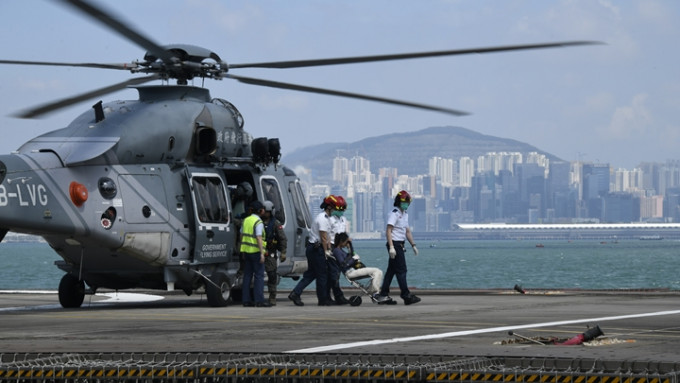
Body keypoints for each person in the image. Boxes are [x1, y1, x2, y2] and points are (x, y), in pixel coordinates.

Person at [288, 195, 335, 306]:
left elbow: (327, 237)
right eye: (334, 207)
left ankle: (295, 293)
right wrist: (326, 252)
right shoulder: (322, 219)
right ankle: (323, 299)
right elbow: (323, 237)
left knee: (311, 274)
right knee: (322, 275)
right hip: (316, 249)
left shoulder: (326, 218)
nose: (335, 210)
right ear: (328, 207)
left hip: (314, 248)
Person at [378, 190, 421, 305]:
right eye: (404, 202)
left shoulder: (405, 214)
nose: (406, 204)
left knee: (391, 271)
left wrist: (413, 245)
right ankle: (406, 295)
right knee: (402, 270)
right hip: (395, 244)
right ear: (399, 202)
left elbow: (407, 231)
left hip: (400, 244)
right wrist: (391, 247)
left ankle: (383, 295)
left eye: (408, 202)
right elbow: (388, 230)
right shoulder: (394, 213)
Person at [331, 232, 391, 302]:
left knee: (377, 272)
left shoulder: (340, 250)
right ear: (341, 241)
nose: (346, 243)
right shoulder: (337, 251)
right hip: (350, 272)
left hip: (353, 270)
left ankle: (375, 293)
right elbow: (343, 265)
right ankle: (375, 294)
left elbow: (351, 254)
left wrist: (350, 245)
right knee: (377, 271)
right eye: (346, 241)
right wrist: (354, 259)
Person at [239, 200, 271, 307]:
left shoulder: (246, 220)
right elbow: (258, 237)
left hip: (246, 252)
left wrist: (242, 249)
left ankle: (246, 300)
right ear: (261, 211)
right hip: (256, 252)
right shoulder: (258, 222)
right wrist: (262, 253)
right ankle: (259, 300)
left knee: (247, 276)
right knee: (259, 276)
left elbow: (241, 235)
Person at [262, 200, 288, 306]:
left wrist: (283, 252)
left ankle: (272, 297)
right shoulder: (258, 222)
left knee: (272, 275)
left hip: (270, 253)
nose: (265, 213)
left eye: (267, 212)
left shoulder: (275, 224)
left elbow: (282, 239)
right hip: (258, 252)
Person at [326, 195, 350, 305]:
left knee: (336, 273)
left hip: (340, 248)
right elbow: (325, 235)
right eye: (339, 209)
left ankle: (335, 296)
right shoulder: (329, 219)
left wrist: (349, 247)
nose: (341, 211)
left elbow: (345, 235)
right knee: (333, 273)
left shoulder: (343, 220)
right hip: (331, 248)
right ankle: (337, 296)